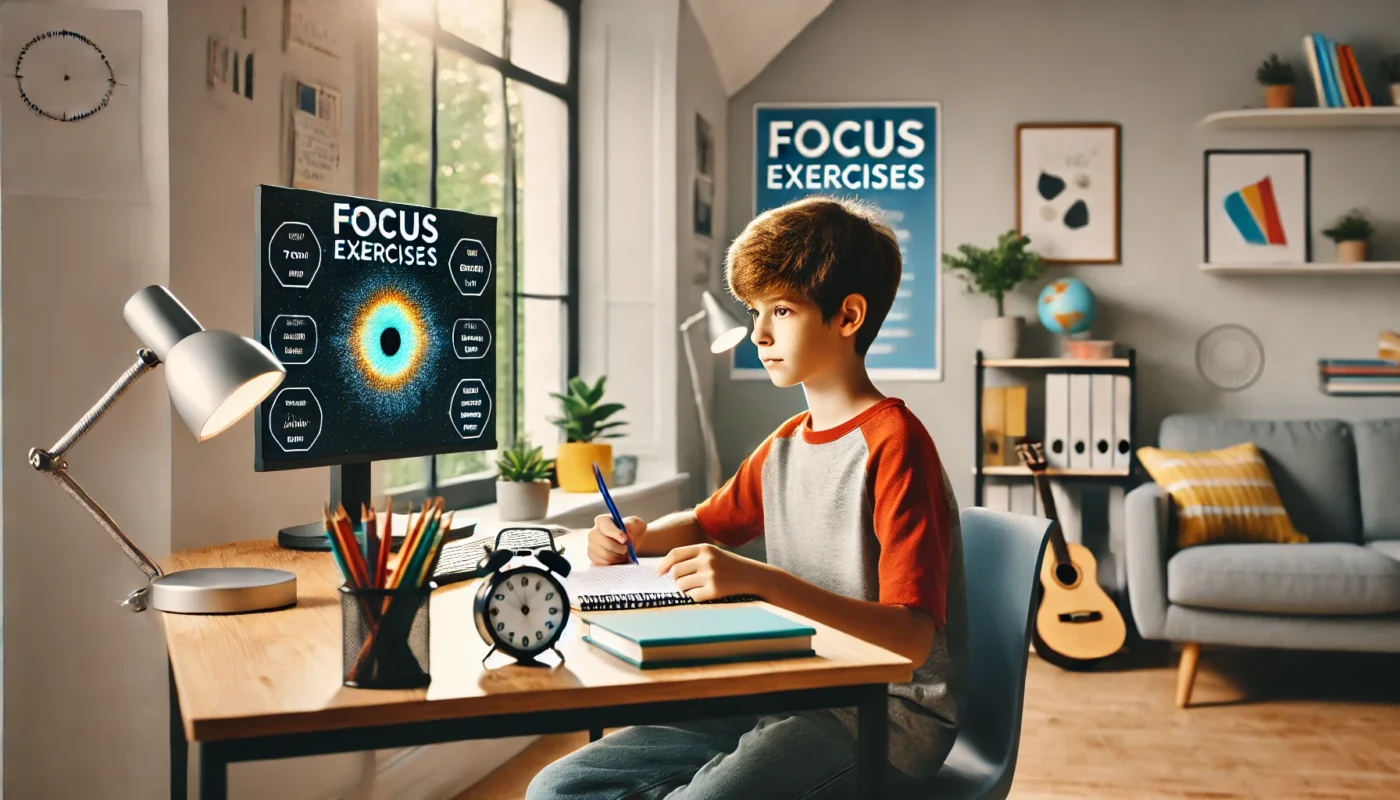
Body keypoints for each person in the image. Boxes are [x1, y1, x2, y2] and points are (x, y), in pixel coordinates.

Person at [527, 196, 966, 800]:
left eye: (780, 310)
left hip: (879, 720)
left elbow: (911, 640)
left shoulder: (896, 444)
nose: (757, 333)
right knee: (560, 787)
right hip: (788, 687)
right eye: (756, 311)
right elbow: (708, 523)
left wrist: (762, 581)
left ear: (848, 316)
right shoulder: (786, 444)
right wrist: (639, 536)